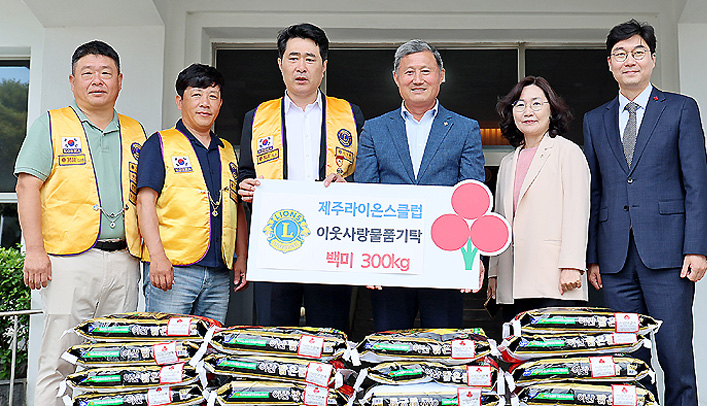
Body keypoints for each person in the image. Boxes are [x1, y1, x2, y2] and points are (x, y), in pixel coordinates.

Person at [584, 19, 707, 405]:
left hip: (670, 257)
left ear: (652, 59)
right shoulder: (595, 119)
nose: (630, 60)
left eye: (638, 52)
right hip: (614, 261)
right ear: (609, 64)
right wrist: (591, 256)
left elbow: (697, 183)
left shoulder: (680, 109)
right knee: (624, 362)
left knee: (675, 357)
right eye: (620, 54)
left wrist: (697, 248)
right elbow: (594, 191)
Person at [14, 40, 144, 405]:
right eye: (87, 73)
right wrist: (34, 251)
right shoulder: (51, 124)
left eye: (105, 73)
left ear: (120, 81)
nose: (97, 80)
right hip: (68, 261)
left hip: (124, 261)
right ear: (72, 81)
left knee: (114, 360)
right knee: (59, 359)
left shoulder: (136, 131)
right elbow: (26, 186)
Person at [237, 23, 364, 332]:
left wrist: (350, 186)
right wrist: (246, 185)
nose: (301, 67)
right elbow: (246, 172)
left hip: (331, 241)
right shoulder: (257, 117)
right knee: (273, 335)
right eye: (293, 58)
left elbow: (366, 175)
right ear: (280, 64)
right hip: (276, 239)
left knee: (330, 335)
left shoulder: (350, 114)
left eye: (310, 58)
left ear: (324, 66)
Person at [354, 39, 485, 332]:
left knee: (443, 344)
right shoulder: (375, 128)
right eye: (409, 72)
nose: (417, 79)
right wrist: (365, 259)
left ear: (441, 75)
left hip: (445, 258)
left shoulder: (465, 128)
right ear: (396, 78)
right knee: (389, 346)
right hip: (388, 260)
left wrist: (472, 255)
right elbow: (365, 194)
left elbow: (472, 197)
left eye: (425, 71)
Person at [137, 64, 247, 324]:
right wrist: (157, 258)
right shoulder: (160, 143)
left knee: (209, 344)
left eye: (212, 96)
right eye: (196, 95)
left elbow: (237, 208)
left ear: (220, 104)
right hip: (174, 270)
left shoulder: (227, 151)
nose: (205, 103)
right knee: (169, 344)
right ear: (180, 101)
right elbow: (144, 202)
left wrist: (242, 257)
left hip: (219, 273)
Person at [487, 76, 590, 321]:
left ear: (551, 110)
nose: (527, 111)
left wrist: (572, 265)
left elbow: (577, 212)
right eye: (520, 105)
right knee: (516, 344)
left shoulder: (567, 152)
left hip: (555, 279)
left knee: (552, 345)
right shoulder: (508, 162)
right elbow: (500, 221)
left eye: (536, 103)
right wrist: (494, 272)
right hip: (512, 280)